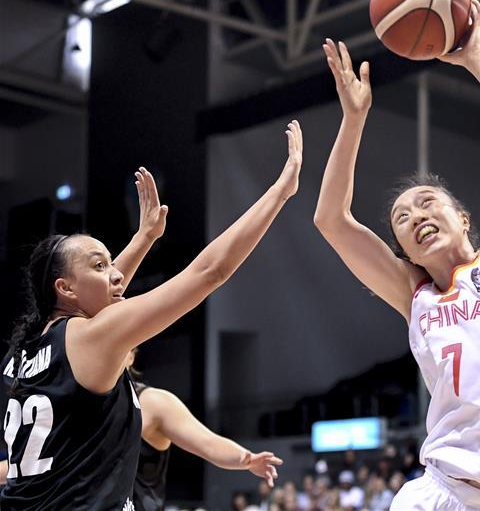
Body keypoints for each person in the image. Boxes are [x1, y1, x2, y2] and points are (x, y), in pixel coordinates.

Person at [315, 0, 480, 509]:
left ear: (463, 217)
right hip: (442, 491)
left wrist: (475, 57)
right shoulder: (416, 295)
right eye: (402, 218)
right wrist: (354, 118)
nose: (415, 216)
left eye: (428, 202)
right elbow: (331, 220)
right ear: (404, 249)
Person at [1, 121, 302, 509]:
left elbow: (105, 295)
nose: (115, 275)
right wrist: (279, 193)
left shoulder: (24, 352)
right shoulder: (90, 337)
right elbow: (210, 271)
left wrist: (144, 238)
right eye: (99, 265)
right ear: (66, 288)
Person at [126, 350, 282, 511]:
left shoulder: (152, 402)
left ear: (131, 356)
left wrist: (243, 457)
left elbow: (209, 443)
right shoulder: (106, 407)